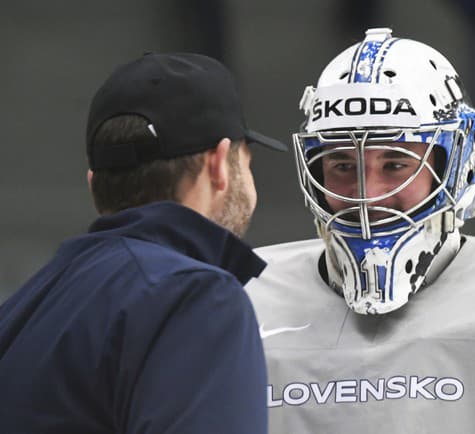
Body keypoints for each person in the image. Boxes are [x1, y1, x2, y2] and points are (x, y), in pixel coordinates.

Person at [246, 28, 475, 433]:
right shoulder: (250, 296)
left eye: (395, 164)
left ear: (461, 162)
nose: (368, 195)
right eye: (342, 165)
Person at [0, 52, 286, 434]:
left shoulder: (23, 309)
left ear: (93, 182)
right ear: (219, 164)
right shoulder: (193, 296)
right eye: (246, 162)